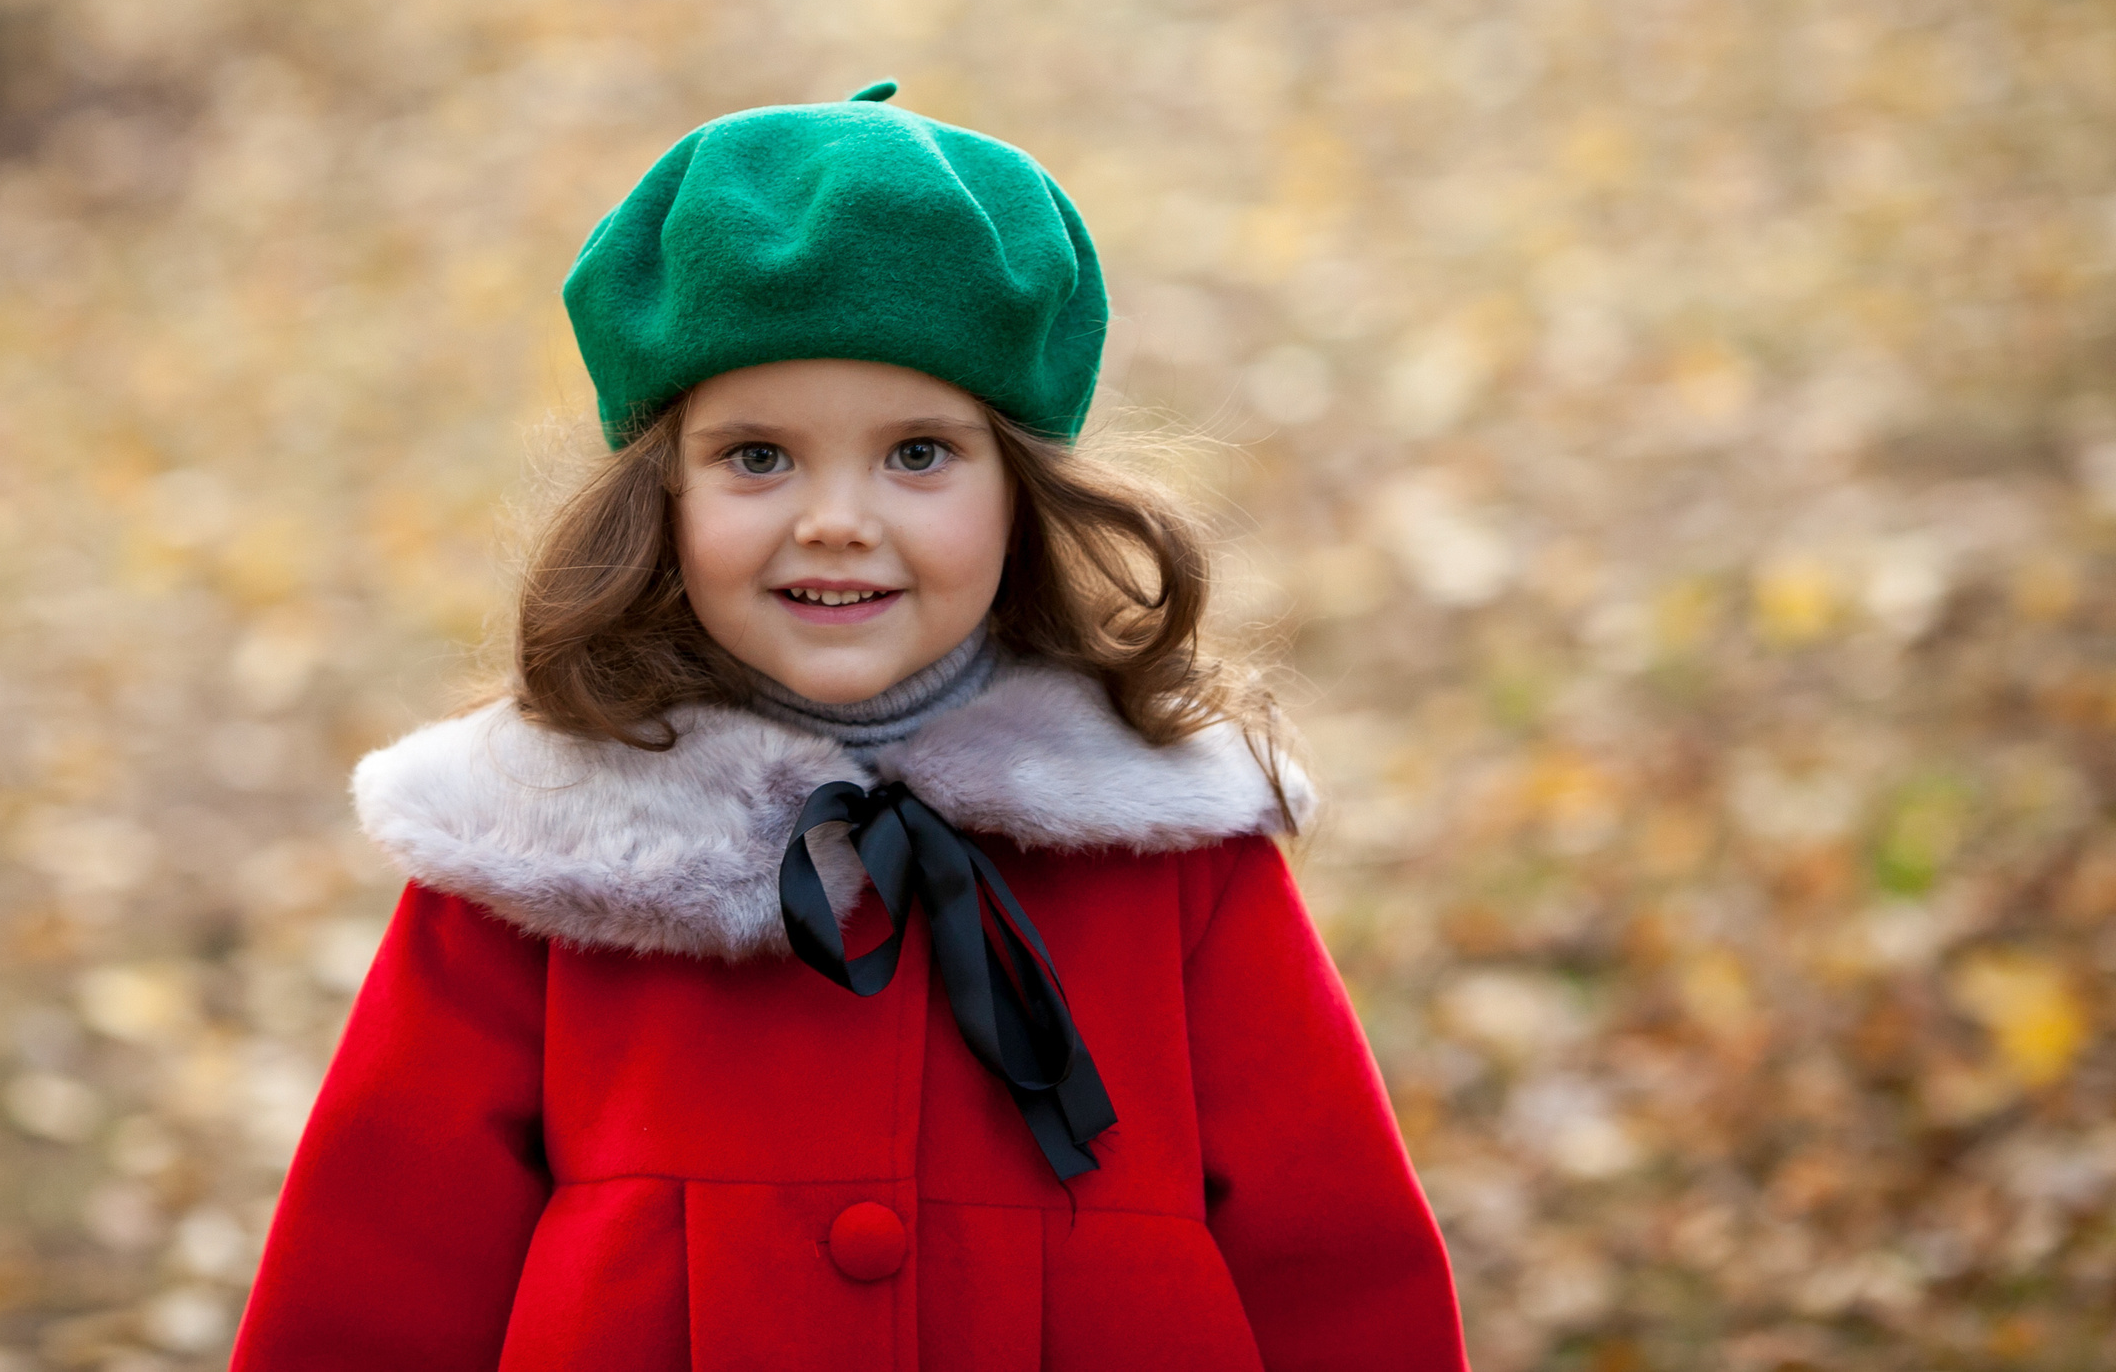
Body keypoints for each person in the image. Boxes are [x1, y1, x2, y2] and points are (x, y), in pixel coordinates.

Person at [228, 82, 1468, 1370]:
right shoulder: (532, 851)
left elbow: (1340, 1262)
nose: (835, 519)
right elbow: (373, 1274)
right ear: (660, 499)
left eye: (918, 455)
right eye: (757, 457)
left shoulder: (1172, 856)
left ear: (1020, 498)